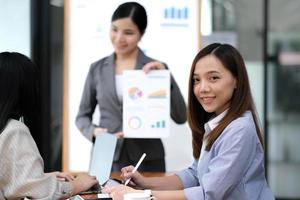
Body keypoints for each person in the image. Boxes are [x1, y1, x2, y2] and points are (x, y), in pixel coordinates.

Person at [103, 43, 275, 200]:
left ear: (237, 80)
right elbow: (194, 175)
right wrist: (144, 182)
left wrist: (141, 195)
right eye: (197, 80)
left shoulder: (240, 129)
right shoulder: (216, 122)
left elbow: (209, 193)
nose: (202, 88)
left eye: (213, 78)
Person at [76, 2, 187, 172]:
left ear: (141, 34)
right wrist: (94, 132)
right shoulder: (97, 69)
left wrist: (166, 77)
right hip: (106, 157)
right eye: (114, 29)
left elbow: (181, 116)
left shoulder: (156, 68)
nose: (119, 38)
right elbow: (82, 117)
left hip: (147, 159)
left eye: (128, 33)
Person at [0, 52, 98, 199]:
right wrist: (78, 184)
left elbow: (11, 180)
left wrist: (41, 178)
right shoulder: (14, 130)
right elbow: (31, 191)